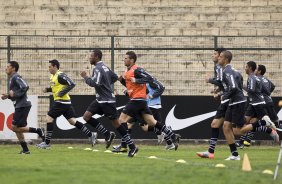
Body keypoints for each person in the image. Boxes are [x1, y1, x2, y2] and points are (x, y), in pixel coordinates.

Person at [117, 51, 180, 155]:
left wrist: (136, 80)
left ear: (131, 60)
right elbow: (131, 86)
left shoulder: (137, 69)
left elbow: (150, 78)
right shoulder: (127, 72)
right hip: (141, 101)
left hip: (136, 101)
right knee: (152, 123)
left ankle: (130, 146)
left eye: (126, 58)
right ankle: (173, 136)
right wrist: (121, 81)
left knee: (121, 121)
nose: (124, 60)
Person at [219, 51, 278, 161]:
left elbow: (235, 88)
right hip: (243, 102)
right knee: (226, 126)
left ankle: (263, 123)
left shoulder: (231, 72)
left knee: (238, 131)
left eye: (221, 57)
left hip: (245, 102)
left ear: (226, 59)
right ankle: (235, 153)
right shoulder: (238, 73)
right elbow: (268, 89)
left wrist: (224, 96)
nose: (218, 58)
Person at [80, 49, 138, 157]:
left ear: (97, 57)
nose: (90, 58)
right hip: (100, 100)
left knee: (117, 125)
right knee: (86, 116)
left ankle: (132, 146)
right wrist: (107, 85)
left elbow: (94, 83)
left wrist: (85, 77)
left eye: (91, 56)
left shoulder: (97, 68)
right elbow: (114, 78)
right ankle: (107, 134)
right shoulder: (105, 67)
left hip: (107, 101)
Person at [36, 59, 96, 149]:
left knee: (48, 118)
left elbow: (72, 84)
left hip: (61, 102)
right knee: (72, 121)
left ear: (55, 66)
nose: (49, 69)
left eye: (50, 67)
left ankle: (47, 143)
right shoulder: (53, 77)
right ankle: (91, 134)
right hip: (65, 102)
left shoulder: (60, 75)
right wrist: (48, 90)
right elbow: (56, 88)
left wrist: (61, 93)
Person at [112, 77, 176, 152]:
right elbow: (137, 92)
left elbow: (160, 87)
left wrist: (152, 95)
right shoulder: (141, 82)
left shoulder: (148, 81)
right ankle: (167, 135)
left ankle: (124, 145)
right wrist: (127, 92)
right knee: (139, 126)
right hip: (145, 105)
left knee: (132, 124)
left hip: (147, 106)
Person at [1, 61, 45, 154]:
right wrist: (8, 96)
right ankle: (25, 150)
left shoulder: (16, 77)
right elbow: (16, 93)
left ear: (13, 68)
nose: (6, 68)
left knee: (14, 127)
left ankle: (38, 130)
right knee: (17, 128)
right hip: (20, 105)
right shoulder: (12, 78)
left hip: (22, 105)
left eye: (8, 66)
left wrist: (15, 94)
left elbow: (25, 86)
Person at [236, 63, 279, 148]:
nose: (245, 68)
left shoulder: (252, 78)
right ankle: (244, 141)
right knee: (249, 122)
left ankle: (268, 128)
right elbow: (267, 90)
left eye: (246, 67)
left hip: (257, 103)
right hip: (256, 102)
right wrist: (264, 95)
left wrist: (241, 86)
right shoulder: (259, 78)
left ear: (251, 68)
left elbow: (251, 90)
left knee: (273, 122)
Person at [197, 48, 227, 159]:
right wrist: (217, 91)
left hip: (228, 100)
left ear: (220, 56)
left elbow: (221, 82)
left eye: (214, 54)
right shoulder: (220, 67)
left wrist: (210, 80)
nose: (212, 56)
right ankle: (211, 152)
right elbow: (224, 84)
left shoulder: (219, 67)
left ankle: (263, 125)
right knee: (217, 125)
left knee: (237, 128)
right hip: (226, 99)